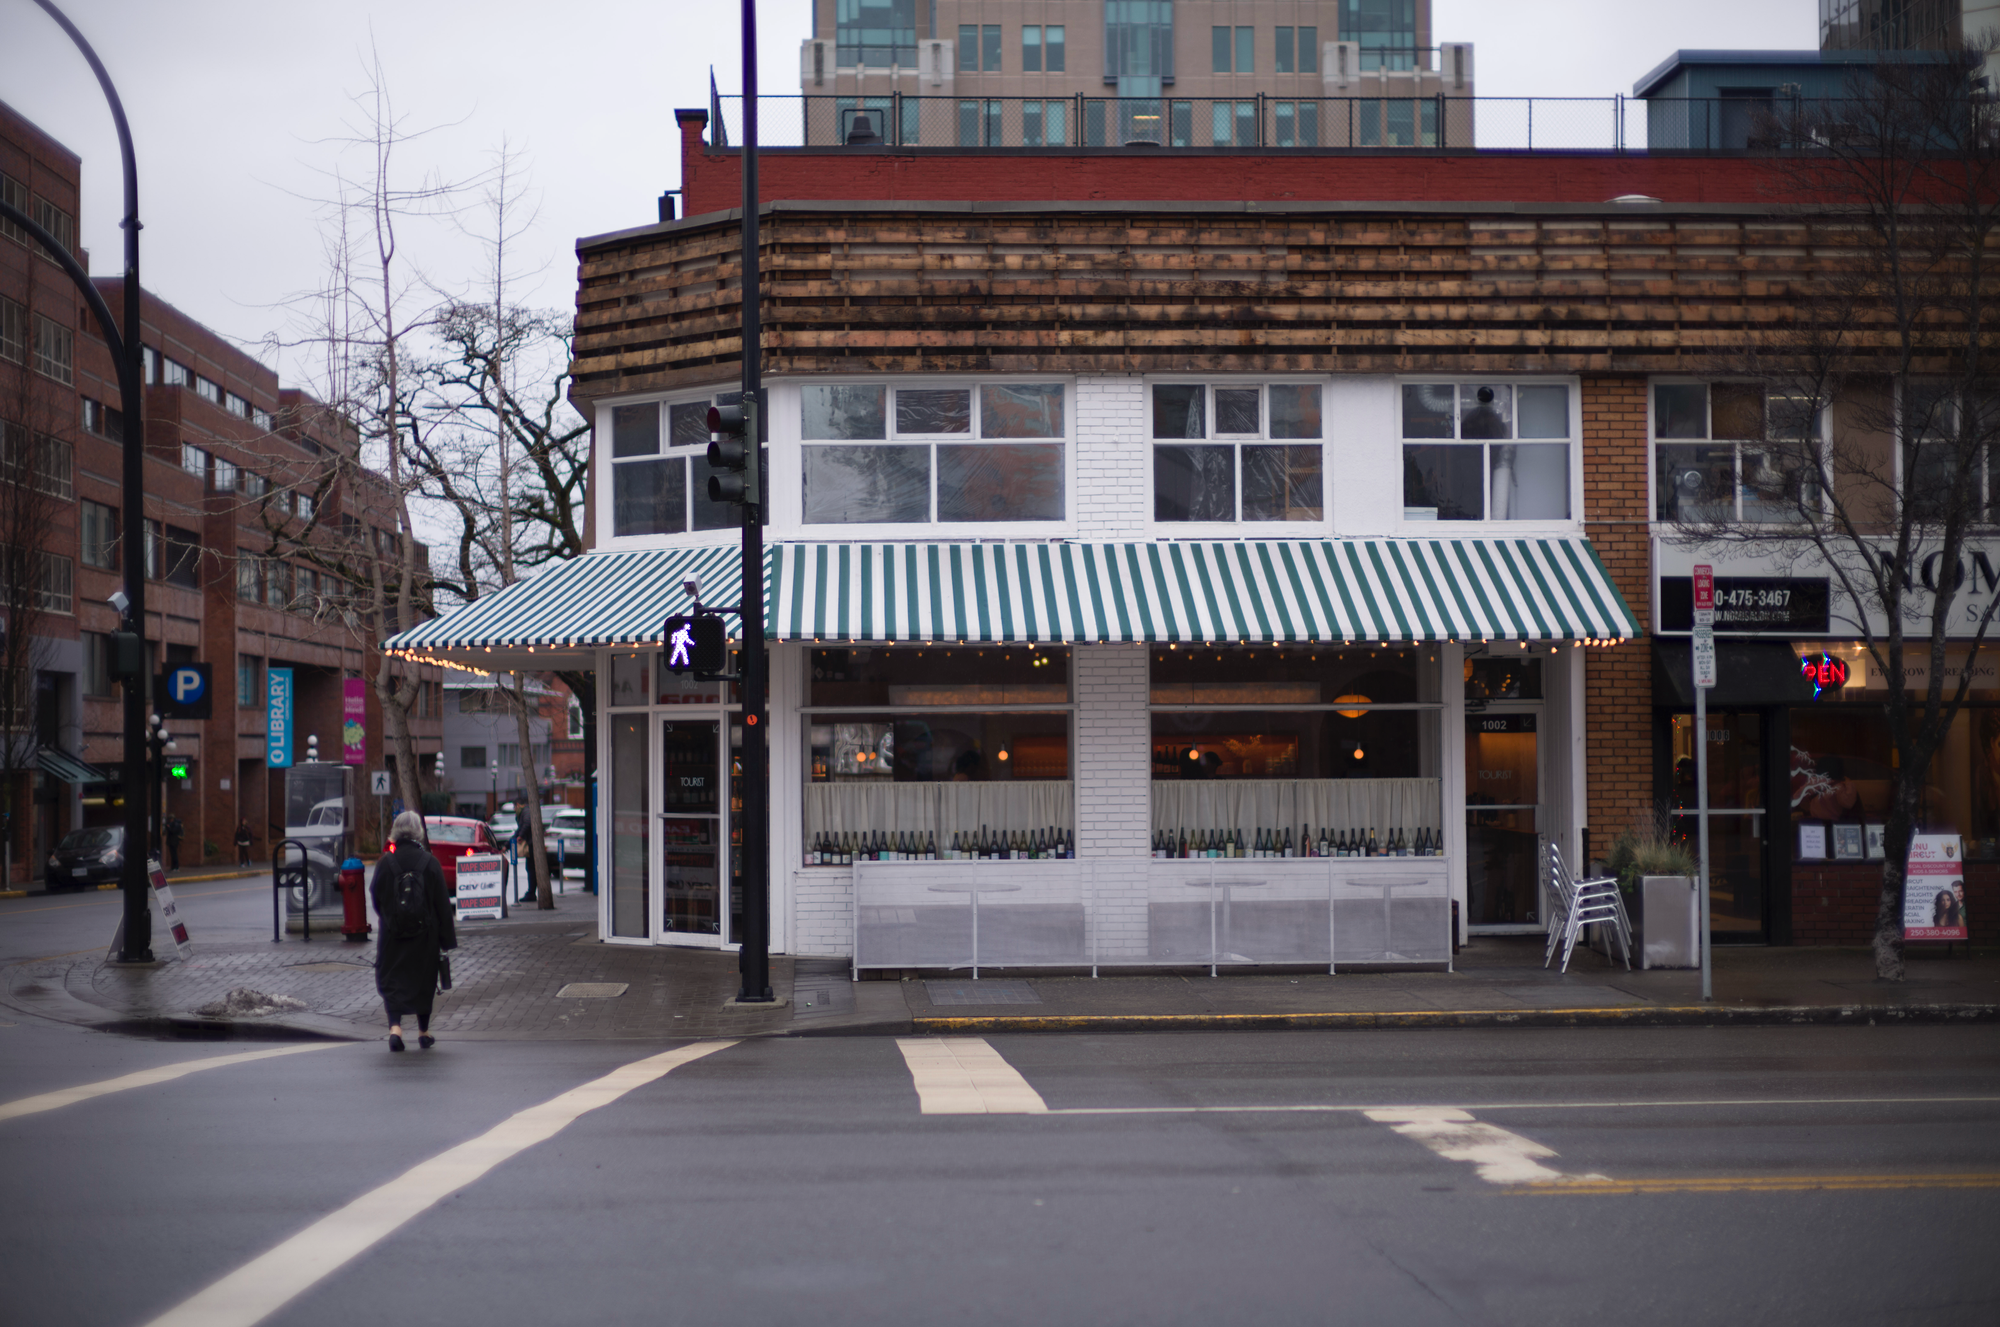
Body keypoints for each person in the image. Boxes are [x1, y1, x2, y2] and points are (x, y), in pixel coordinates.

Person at [371, 810, 456, 1052]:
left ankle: (395, 1028)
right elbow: (442, 904)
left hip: (392, 937)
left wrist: (388, 919)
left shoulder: (386, 863)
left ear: (395, 832)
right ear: (419, 832)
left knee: (393, 980)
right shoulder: (430, 863)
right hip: (424, 938)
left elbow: (376, 897)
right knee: (423, 982)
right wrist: (445, 940)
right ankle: (423, 1031)